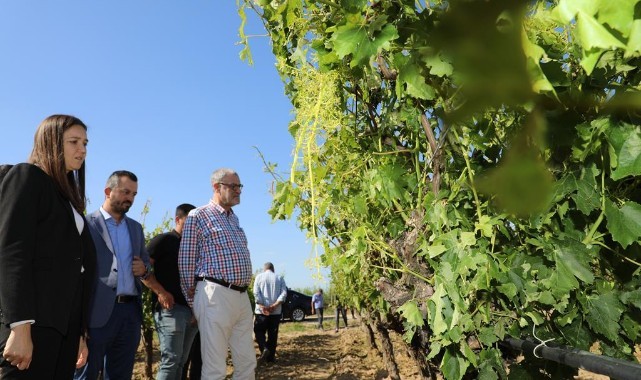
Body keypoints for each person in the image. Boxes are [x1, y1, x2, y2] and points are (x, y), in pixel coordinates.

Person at [0, 115, 97, 379]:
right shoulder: (27, 177)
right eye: (74, 142)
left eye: (86, 143)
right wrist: (19, 327)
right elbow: (12, 253)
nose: (83, 150)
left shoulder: (67, 200)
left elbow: (75, 271)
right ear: (51, 142)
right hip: (32, 326)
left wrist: (79, 334)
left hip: (62, 330)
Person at [75, 171, 173, 380]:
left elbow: (145, 266)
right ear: (108, 191)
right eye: (126, 192)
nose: (130, 198)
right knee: (86, 374)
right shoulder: (86, 224)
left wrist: (144, 270)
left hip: (129, 314)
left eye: (134, 194)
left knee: (120, 374)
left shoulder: (135, 228)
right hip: (96, 313)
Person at [178, 168, 256, 379]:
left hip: (241, 296)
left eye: (239, 186)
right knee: (215, 365)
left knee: (247, 361)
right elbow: (186, 262)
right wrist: (193, 302)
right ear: (216, 187)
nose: (238, 191)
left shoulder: (234, 219)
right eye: (233, 186)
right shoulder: (198, 215)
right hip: (215, 294)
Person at [147, 203, 199, 380]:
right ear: (178, 219)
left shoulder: (194, 248)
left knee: (181, 362)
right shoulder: (164, 240)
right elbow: (141, 269)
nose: (195, 227)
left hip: (191, 312)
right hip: (170, 310)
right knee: (170, 361)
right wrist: (160, 292)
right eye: (190, 221)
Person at [253, 262, 287, 364]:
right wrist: (274, 305)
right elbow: (284, 293)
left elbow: (256, 292)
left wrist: (262, 305)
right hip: (275, 312)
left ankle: (264, 348)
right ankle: (270, 358)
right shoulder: (279, 278)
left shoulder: (259, 277)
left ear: (264, 269)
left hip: (261, 311)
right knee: (273, 334)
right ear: (273, 269)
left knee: (259, 331)